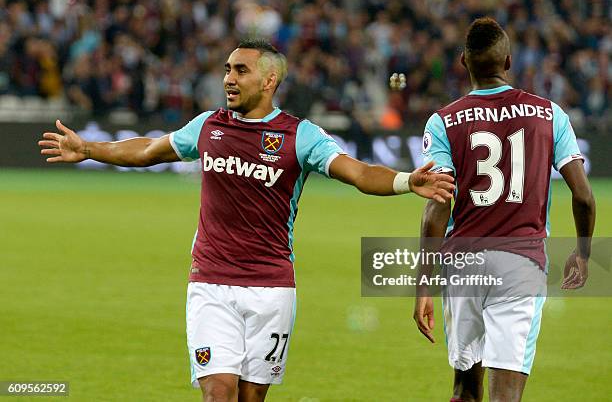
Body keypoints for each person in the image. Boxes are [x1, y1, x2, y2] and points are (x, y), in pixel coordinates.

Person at [39, 39, 455, 402]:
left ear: (269, 81)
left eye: (241, 70)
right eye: (227, 69)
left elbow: (359, 172)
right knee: (218, 391)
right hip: (211, 284)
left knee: (250, 397)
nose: (229, 79)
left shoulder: (300, 136)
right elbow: (149, 150)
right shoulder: (208, 126)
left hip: (271, 289)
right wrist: (90, 147)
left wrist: (405, 180)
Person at [413, 18, 596, 402]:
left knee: (464, 388)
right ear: (509, 61)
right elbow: (583, 196)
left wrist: (423, 284)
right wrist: (582, 253)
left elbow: (436, 209)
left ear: (463, 61)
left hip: (462, 263)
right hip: (520, 262)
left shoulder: (444, 120)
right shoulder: (550, 115)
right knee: (506, 394)